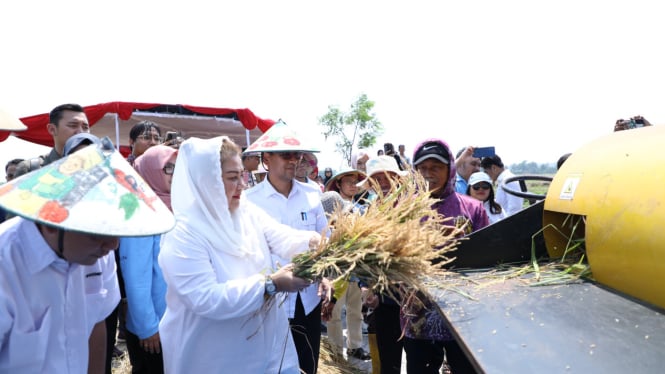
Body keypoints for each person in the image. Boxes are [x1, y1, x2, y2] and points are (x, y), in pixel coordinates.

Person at [0, 139, 174, 372]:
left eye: (117, 233)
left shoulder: (96, 254)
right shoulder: (7, 266)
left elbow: (96, 322)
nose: (112, 245)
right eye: (98, 234)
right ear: (52, 223)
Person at [158, 136, 322, 373]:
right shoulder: (183, 233)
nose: (242, 185)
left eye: (242, 175)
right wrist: (268, 285)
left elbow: (281, 236)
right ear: (207, 181)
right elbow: (205, 298)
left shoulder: (245, 211)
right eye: (232, 178)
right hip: (213, 354)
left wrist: (315, 242)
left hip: (263, 343)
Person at [244, 121, 331, 374]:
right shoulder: (250, 201)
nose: (293, 160)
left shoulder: (312, 194)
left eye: (296, 154)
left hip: (307, 300)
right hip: (269, 301)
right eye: (285, 155)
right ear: (266, 159)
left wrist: (325, 277)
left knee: (307, 364)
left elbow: (324, 243)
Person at [403, 139, 489, 374]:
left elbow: (488, 255)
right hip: (418, 316)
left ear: (449, 168)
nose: (429, 174)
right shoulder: (403, 210)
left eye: (436, 167)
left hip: (463, 315)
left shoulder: (472, 209)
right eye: (423, 168)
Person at [119, 145, 177, 373]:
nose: (174, 174)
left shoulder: (174, 205)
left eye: (176, 167)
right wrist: (147, 327)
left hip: (174, 322)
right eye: (167, 168)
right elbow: (135, 277)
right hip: (154, 327)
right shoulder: (140, 213)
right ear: (150, 171)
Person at [356, 155, 409, 374]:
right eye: (377, 179)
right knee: (388, 360)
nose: (384, 183)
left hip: (414, 296)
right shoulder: (366, 213)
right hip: (383, 298)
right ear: (370, 184)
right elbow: (360, 255)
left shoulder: (414, 208)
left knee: (421, 358)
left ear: (398, 179)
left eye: (388, 177)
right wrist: (366, 286)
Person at [322, 169, 370, 360]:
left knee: (355, 311)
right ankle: (335, 350)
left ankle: (355, 346)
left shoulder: (359, 210)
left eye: (355, 182)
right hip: (335, 272)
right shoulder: (328, 205)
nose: (352, 185)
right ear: (339, 185)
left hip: (355, 270)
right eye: (348, 182)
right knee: (333, 312)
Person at [14, 103, 90, 178]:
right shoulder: (31, 169)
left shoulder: (97, 165)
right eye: (73, 125)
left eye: (85, 127)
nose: (80, 132)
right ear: (52, 129)